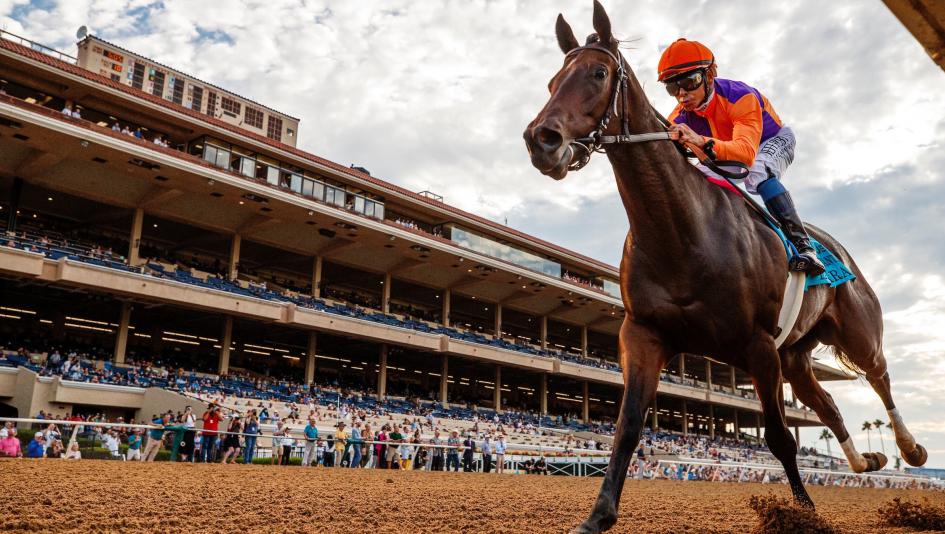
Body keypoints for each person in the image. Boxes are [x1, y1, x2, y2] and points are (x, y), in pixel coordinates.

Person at [659, 38, 825, 275]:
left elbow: (746, 155)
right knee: (694, 181)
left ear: (709, 75)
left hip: (770, 140)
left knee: (758, 172)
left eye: (689, 82)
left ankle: (804, 246)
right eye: (672, 88)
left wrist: (699, 141)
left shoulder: (739, 96)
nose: (682, 94)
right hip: (724, 147)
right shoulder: (679, 116)